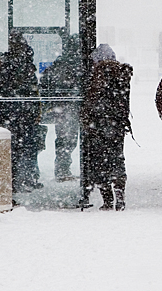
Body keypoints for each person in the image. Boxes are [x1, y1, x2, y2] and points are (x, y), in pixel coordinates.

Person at [81, 44, 133, 210]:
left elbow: (91, 101)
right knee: (117, 159)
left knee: (99, 163)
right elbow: (124, 101)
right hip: (116, 125)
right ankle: (120, 197)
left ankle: (107, 200)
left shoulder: (96, 74)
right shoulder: (122, 74)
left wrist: (87, 118)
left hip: (97, 125)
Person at [0, 31, 44, 193]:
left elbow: (4, 88)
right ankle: (27, 178)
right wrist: (35, 110)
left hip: (13, 113)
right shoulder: (27, 65)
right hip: (24, 113)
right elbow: (33, 91)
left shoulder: (8, 64)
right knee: (26, 148)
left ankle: (16, 181)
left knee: (16, 149)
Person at [39, 35, 83, 182]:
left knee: (65, 139)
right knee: (68, 139)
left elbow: (45, 82)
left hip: (62, 106)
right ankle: (63, 169)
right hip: (69, 106)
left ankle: (62, 169)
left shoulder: (59, 64)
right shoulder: (75, 65)